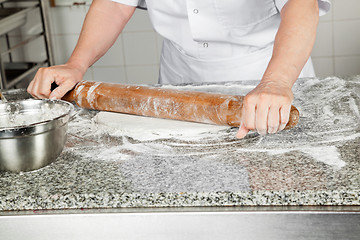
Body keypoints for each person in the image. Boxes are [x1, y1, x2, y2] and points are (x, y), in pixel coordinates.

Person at [27, 0, 330, 139]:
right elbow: (115, 4)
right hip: (180, 81)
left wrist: (276, 82)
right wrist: (76, 64)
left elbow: (301, 4)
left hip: (269, 79)